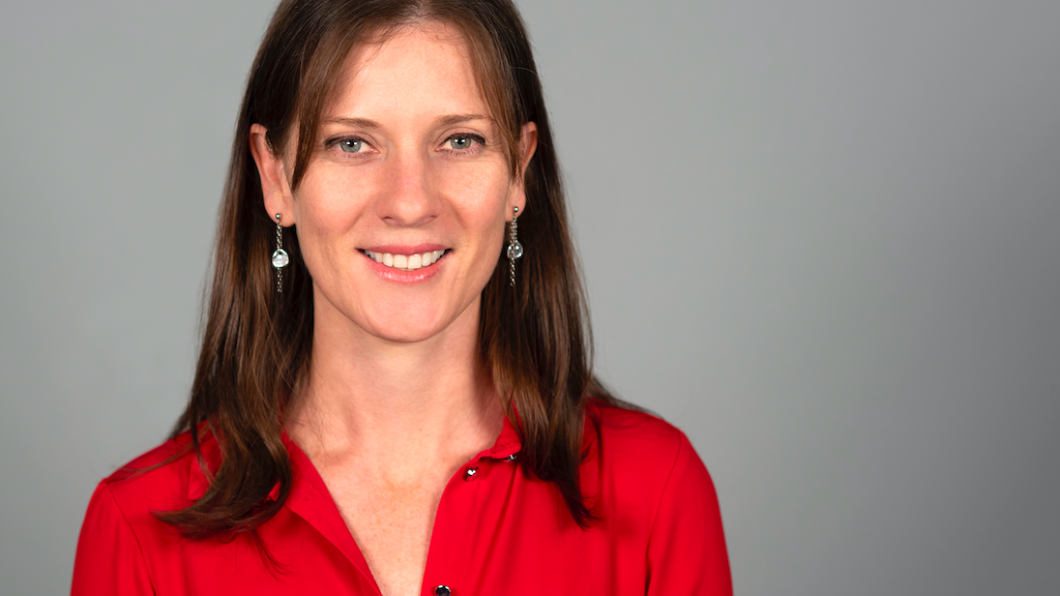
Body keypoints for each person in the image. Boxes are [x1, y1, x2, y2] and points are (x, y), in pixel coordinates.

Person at [71, 1, 731, 594]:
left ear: (519, 172)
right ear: (274, 175)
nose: (410, 202)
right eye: (351, 143)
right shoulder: (139, 532)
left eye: (459, 141)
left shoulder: (656, 491)